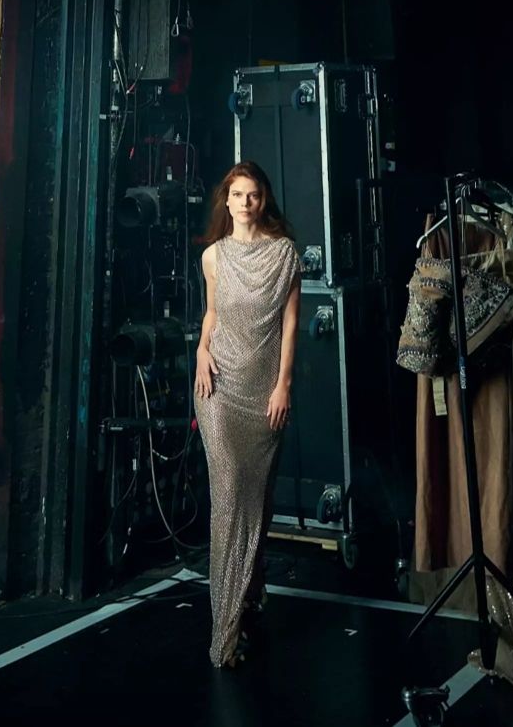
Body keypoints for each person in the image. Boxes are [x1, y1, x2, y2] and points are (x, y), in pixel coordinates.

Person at [194, 161, 301, 668]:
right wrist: (201, 350)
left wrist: (283, 385)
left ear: (264, 199)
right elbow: (212, 314)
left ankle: (249, 597)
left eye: (253, 195)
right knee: (230, 496)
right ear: (226, 200)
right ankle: (225, 631)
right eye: (237, 195)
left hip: (264, 393)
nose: (245, 203)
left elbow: (291, 325)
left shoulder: (285, 254)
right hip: (217, 386)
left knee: (256, 499)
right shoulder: (213, 256)